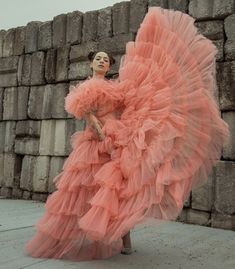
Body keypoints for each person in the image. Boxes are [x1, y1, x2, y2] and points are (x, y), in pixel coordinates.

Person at [25, 6, 230, 261]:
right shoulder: (87, 87)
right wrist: (103, 135)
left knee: (118, 192)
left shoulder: (116, 88)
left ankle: (125, 239)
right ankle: (71, 236)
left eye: (105, 60)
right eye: (97, 58)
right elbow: (88, 115)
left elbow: (130, 102)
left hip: (119, 140)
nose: (101, 61)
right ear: (91, 63)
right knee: (85, 192)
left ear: (110, 65)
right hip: (96, 146)